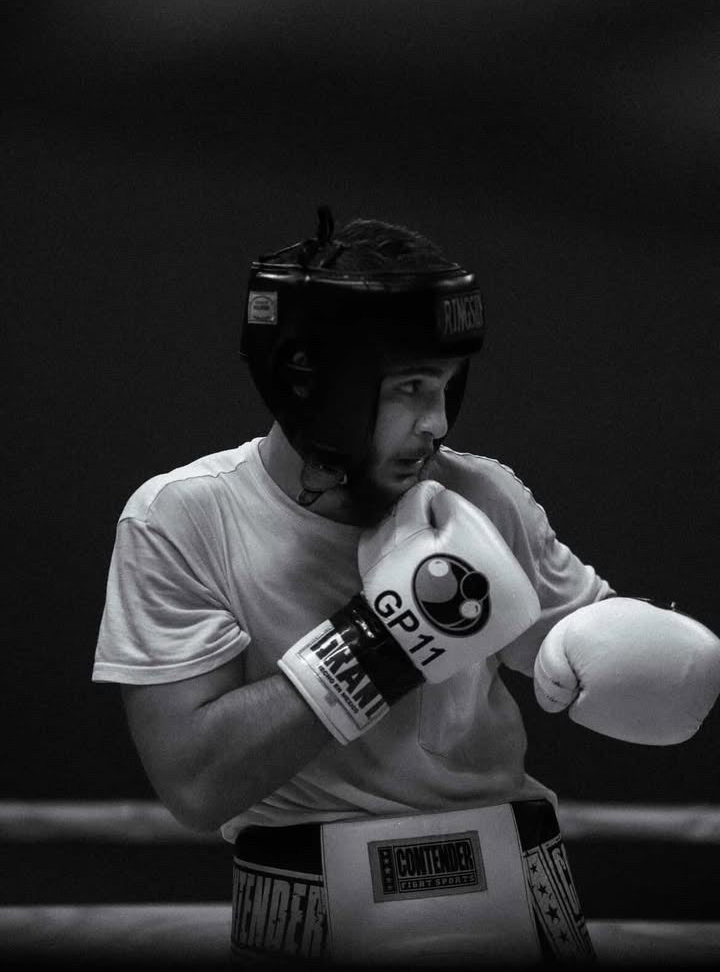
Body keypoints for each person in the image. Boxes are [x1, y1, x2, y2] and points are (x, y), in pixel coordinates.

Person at [92, 208, 720, 967]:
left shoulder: (479, 497)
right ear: (315, 384)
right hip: (304, 898)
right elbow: (195, 784)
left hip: (514, 875)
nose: (437, 423)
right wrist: (383, 639)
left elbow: (595, 656)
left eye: (447, 386)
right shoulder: (183, 518)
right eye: (410, 388)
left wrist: (645, 654)